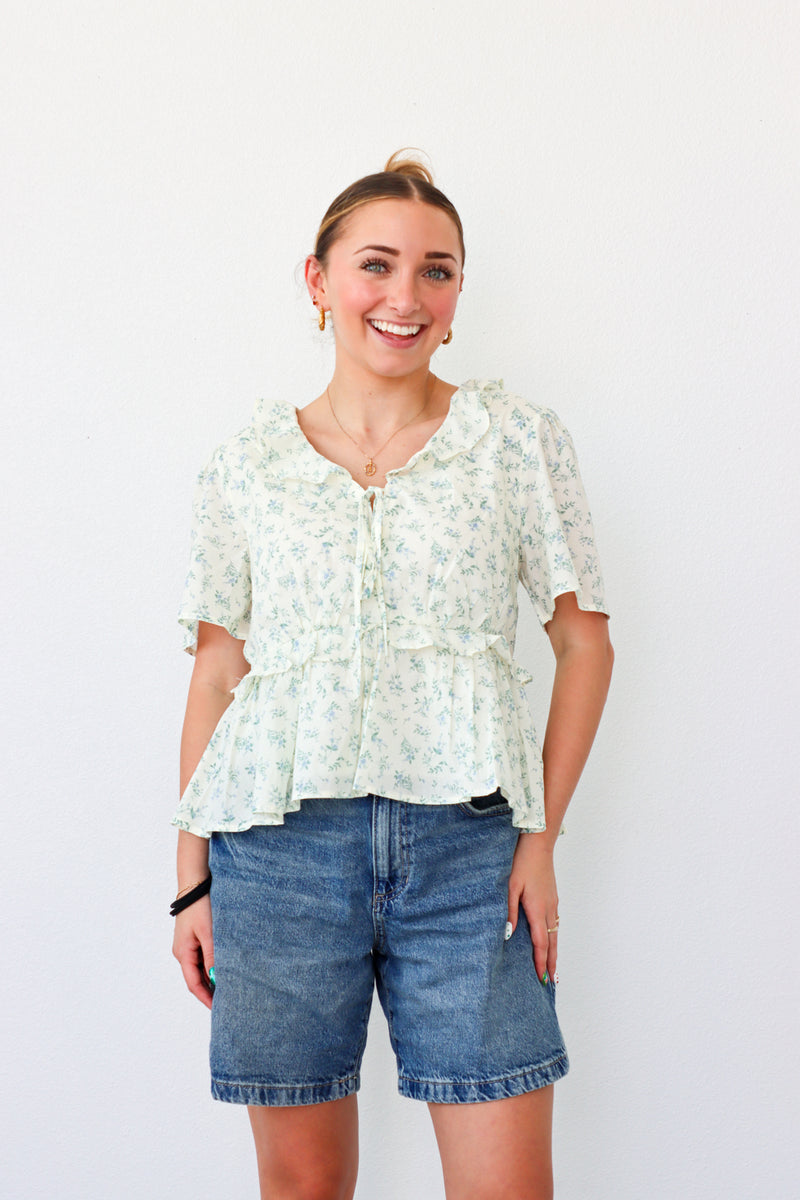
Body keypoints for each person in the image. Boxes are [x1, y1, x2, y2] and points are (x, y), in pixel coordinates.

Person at [171, 151, 613, 1200]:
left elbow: (584, 644)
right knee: (304, 1188)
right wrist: (190, 877)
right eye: (376, 264)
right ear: (318, 281)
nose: (405, 296)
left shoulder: (515, 443)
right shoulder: (245, 465)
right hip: (276, 857)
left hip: (470, 856)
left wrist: (539, 840)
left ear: (456, 296)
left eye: (436, 271)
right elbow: (218, 673)